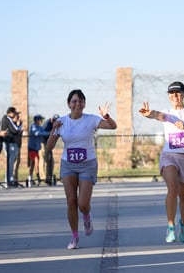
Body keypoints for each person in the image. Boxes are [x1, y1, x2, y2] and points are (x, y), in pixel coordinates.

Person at [46, 89, 117, 250]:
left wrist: (106, 116)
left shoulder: (91, 119)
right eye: (74, 101)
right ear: (68, 104)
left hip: (87, 164)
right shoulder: (62, 122)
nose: (77, 104)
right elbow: (49, 147)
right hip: (68, 164)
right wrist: (53, 129)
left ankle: (86, 216)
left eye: (80, 101)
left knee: (83, 203)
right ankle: (75, 237)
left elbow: (113, 126)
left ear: (84, 104)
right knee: (71, 201)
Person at [139, 81, 184, 243]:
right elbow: (158, 115)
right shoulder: (168, 113)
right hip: (169, 156)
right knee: (172, 189)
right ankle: (170, 227)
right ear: (169, 96)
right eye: (172, 93)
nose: (175, 96)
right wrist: (149, 113)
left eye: (178, 93)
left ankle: (183, 224)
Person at [0, 107, 22, 187]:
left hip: (11, 142)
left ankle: (10, 179)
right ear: (10, 113)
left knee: (11, 162)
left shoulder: (7, 119)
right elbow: (15, 129)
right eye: (14, 113)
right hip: (8, 142)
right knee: (10, 162)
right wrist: (19, 126)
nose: (15, 115)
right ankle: (8, 180)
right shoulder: (7, 119)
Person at [28, 114, 50, 186]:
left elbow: (43, 132)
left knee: (35, 163)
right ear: (37, 120)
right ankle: (32, 178)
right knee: (34, 162)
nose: (41, 121)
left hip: (37, 148)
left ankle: (34, 178)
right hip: (32, 147)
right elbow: (37, 133)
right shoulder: (33, 126)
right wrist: (47, 133)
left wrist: (49, 133)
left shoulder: (40, 127)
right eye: (40, 120)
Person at [42, 113, 60, 185]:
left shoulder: (55, 125)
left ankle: (50, 176)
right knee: (47, 160)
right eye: (55, 121)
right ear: (52, 119)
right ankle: (47, 177)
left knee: (51, 161)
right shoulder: (47, 124)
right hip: (44, 144)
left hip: (49, 145)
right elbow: (43, 132)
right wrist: (51, 133)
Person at [11, 112, 24, 183]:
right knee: (14, 162)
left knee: (18, 162)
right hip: (14, 145)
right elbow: (15, 132)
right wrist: (19, 127)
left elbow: (19, 134)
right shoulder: (13, 126)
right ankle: (12, 178)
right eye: (17, 117)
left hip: (18, 145)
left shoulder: (17, 125)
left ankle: (16, 178)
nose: (18, 119)